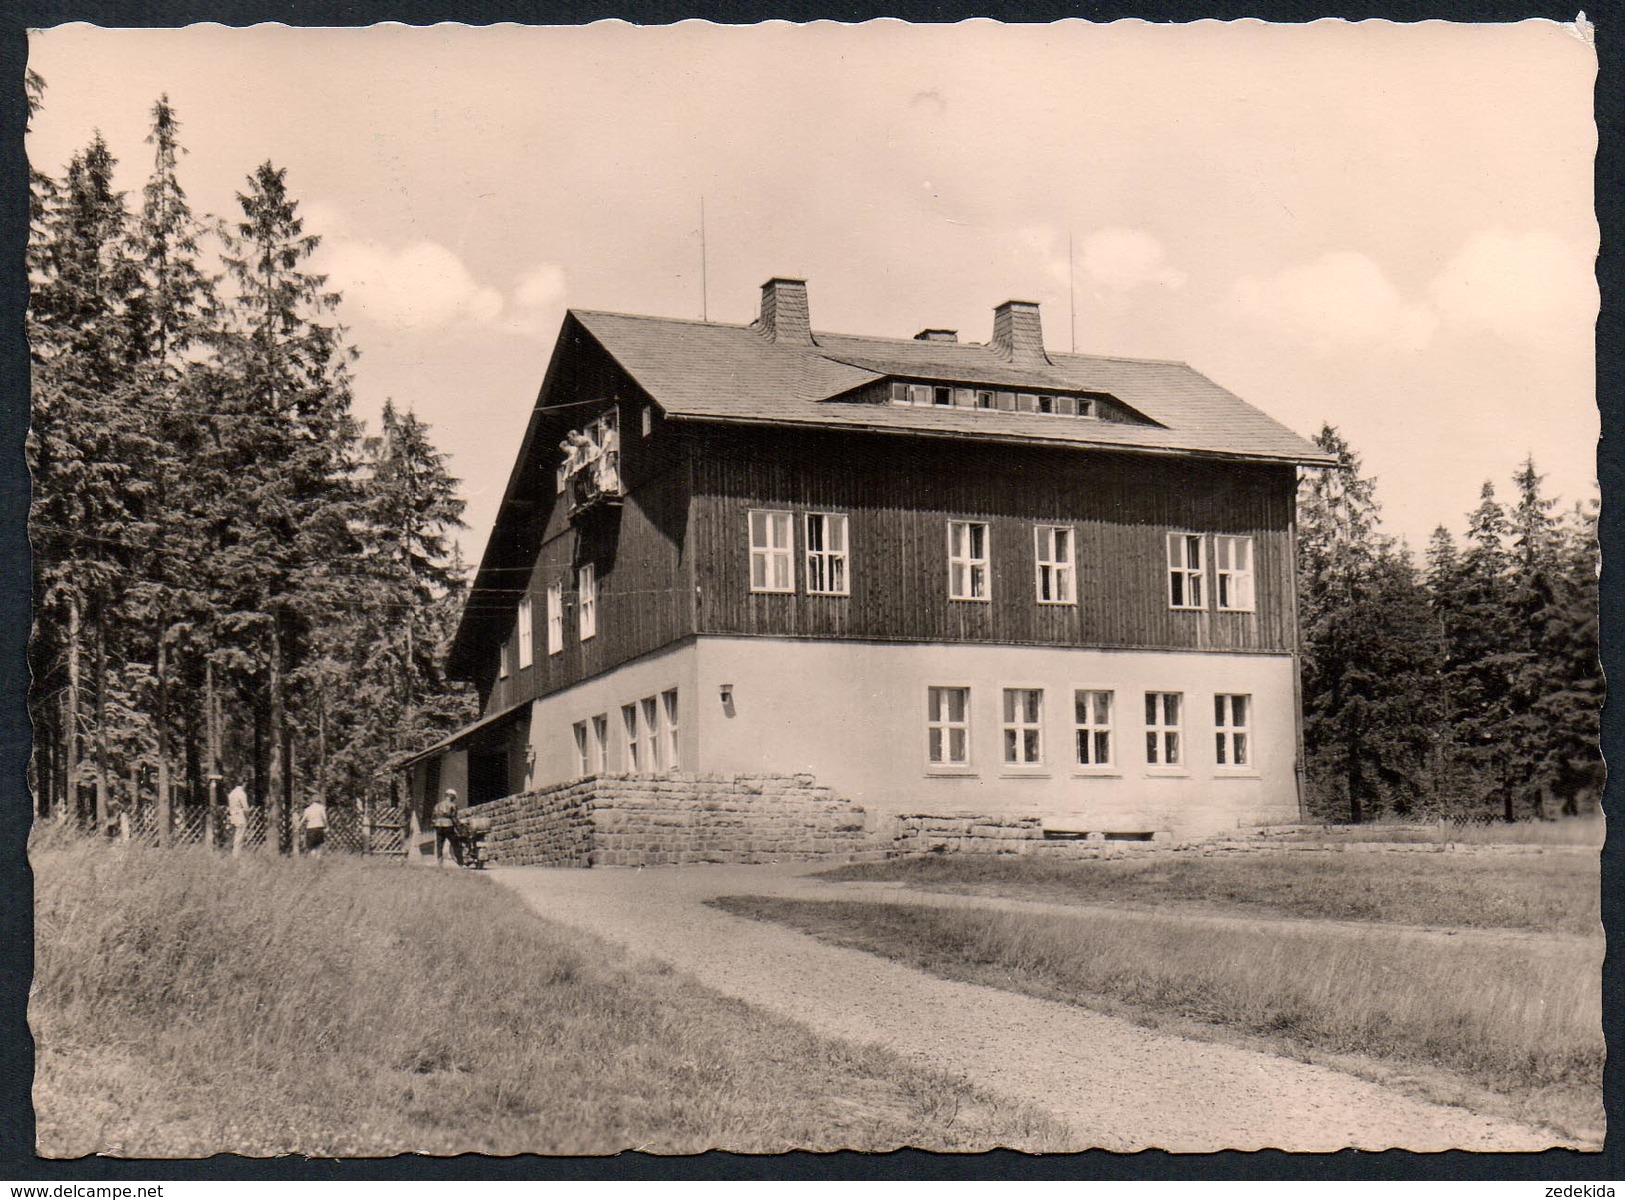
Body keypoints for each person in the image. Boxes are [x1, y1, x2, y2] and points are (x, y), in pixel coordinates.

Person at [432, 788, 460, 867]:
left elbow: (433, 816)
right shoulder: (453, 805)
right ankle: (461, 862)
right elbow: (454, 817)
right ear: (451, 797)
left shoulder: (437, 805)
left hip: (438, 824)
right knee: (455, 843)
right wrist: (458, 826)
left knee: (439, 844)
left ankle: (439, 862)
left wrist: (435, 824)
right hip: (448, 825)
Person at [227, 783, 249, 858]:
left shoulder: (231, 793)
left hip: (233, 817)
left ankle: (230, 854)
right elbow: (246, 808)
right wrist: (247, 817)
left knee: (233, 837)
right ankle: (236, 857)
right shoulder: (242, 793)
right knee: (239, 838)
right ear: (244, 784)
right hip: (240, 817)